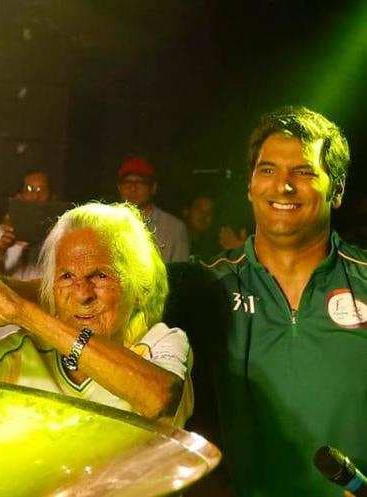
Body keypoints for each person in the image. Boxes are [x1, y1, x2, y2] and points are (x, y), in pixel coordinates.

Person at [199, 106, 366, 496]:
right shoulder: (207, 288)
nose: (283, 186)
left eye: (304, 172)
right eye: (268, 170)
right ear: (250, 185)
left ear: (337, 190)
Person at [0, 202, 192, 426]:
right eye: (66, 277)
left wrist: (23, 313)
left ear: (139, 288)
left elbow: (162, 402)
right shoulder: (23, 351)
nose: (82, 294)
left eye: (100, 276)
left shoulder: (160, 340)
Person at [0, 169, 52, 340]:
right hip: (5, 327)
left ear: (51, 196)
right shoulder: (0, 232)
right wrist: (1, 250)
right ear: (20, 195)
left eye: (41, 190)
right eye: (29, 190)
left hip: (41, 326)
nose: (35, 196)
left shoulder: (59, 237)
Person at [116, 157, 189, 262]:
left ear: (153, 187)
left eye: (140, 182)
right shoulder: (104, 225)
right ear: (119, 187)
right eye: (127, 182)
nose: (133, 188)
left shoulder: (174, 228)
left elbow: (181, 274)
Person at [182, 193, 219, 260]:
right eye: (199, 209)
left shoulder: (214, 247)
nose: (204, 215)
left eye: (209, 212)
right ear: (186, 211)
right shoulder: (172, 239)